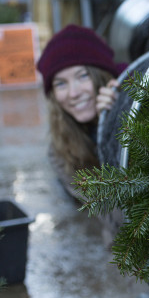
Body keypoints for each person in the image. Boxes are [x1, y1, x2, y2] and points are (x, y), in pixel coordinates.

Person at [36, 24, 127, 200]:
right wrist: (106, 135)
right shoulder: (60, 151)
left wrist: (121, 122)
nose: (74, 93)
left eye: (83, 76)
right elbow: (107, 207)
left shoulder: (141, 99)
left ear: (101, 76)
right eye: (61, 83)